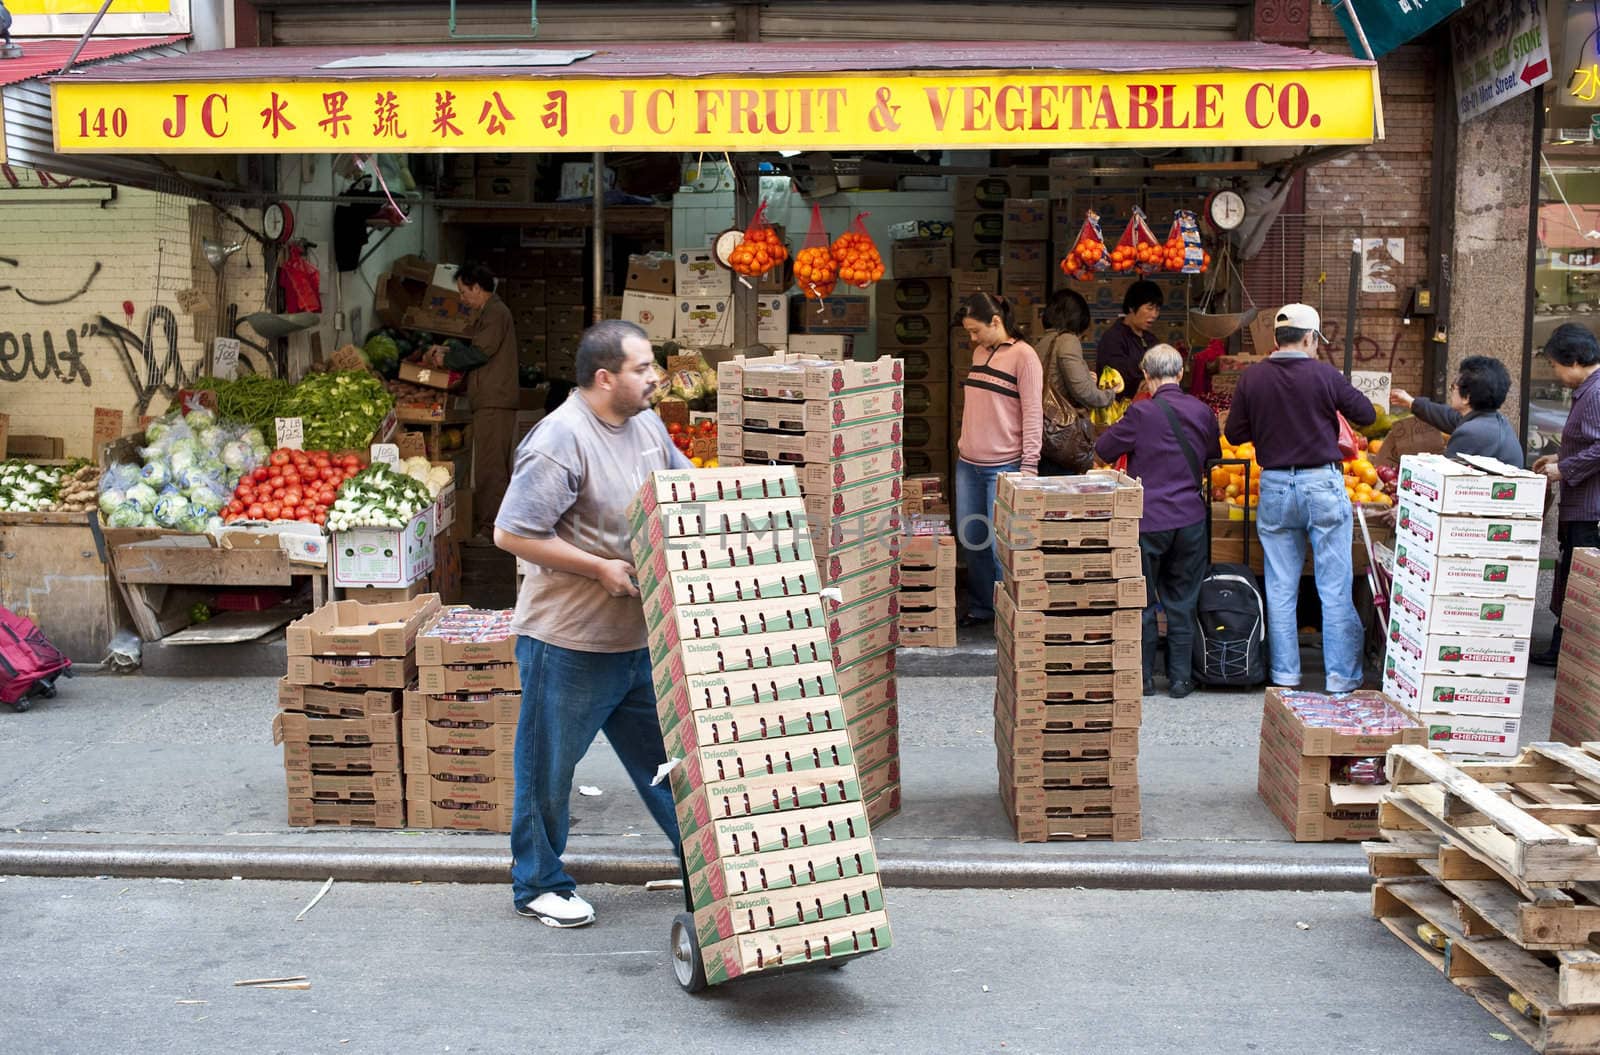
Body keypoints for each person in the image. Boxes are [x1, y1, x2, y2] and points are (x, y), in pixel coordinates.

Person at [492, 320, 688, 928]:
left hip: (639, 635)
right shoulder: (561, 440)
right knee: (547, 769)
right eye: (642, 368)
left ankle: (711, 865)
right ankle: (539, 884)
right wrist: (599, 568)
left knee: (671, 762)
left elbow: (682, 487)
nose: (655, 378)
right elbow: (512, 533)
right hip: (569, 641)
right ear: (605, 378)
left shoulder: (648, 426)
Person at [1224, 303, 1377, 693]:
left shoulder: (1253, 378)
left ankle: (1285, 675)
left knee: (1279, 586)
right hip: (1321, 486)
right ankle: (1340, 677)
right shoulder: (1325, 374)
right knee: (1334, 587)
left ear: (1276, 340)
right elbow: (1366, 414)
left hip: (1274, 486)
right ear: (1310, 338)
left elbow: (1237, 434)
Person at [1093, 345, 1221, 699]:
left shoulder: (1140, 413)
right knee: (1182, 600)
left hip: (1147, 520)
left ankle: (1144, 678)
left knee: (1143, 601)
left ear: (1146, 376)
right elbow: (1214, 456)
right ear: (1180, 374)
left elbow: (1104, 449)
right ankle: (1180, 679)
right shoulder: (1202, 411)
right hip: (1190, 519)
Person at [955, 291, 1043, 627]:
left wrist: (1029, 465)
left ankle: (1008, 616)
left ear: (996, 321)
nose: (972, 338)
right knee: (972, 539)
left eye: (976, 330)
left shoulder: (1025, 356)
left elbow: (1033, 413)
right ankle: (981, 607)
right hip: (968, 462)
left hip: (1004, 466)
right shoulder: (980, 353)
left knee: (1000, 547)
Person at [424, 263, 519, 542]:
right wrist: (449, 349)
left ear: (477, 288)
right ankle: (497, 526)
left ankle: (492, 530)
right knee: (493, 465)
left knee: (490, 468)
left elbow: (481, 352)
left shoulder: (496, 313)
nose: (463, 298)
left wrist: (447, 358)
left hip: (494, 400)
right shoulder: (489, 312)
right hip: (491, 399)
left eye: (464, 292)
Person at [1532, 323, 1600, 667]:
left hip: (1591, 508)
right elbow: (1588, 442)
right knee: (1571, 578)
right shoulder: (1588, 391)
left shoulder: (1597, 392)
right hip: (1580, 504)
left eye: (1556, 366)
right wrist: (1560, 457)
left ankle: (1573, 656)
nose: (1556, 374)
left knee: (1581, 580)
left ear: (1574, 360)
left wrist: (1566, 469)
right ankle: (1561, 651)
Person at [1036, 288, 1123, 475]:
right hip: (1062, 435)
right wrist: (1110, 394)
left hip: (1043, 432)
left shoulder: (1042, 342)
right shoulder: (1067, 340)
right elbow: (1083, 391)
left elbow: (1058, 379)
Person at [1391, 356, 1523, 465]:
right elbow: (1447, 416)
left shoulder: (1471, 433)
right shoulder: (1492, 420)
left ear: (1467, 397)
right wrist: (1411, 402)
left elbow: (1445, 478)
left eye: (1453, 387)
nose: (1451, 392)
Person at [1094, 279, 1165, 391]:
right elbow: (1117, 376)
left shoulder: (1151, 340)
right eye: (1150, 308)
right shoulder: (1113, 338)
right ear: (1132, 307)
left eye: (1157, 309)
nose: (1154, 314)